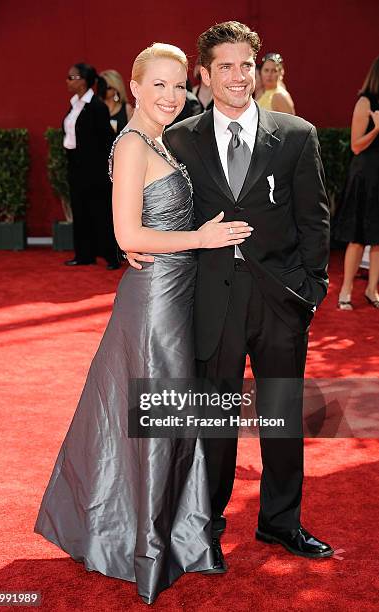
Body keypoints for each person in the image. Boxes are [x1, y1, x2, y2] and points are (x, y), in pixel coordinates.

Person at [34, 43, 252, 604]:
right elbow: (128, 236)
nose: (170, 96)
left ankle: (174, 539)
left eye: (179, 86)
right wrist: (201, 238)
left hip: (175, 299)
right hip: (154, 304)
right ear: (133, 87)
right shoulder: (131, 145)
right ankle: (149, 551)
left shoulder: (160, 141)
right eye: (158, 84)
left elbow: (161, 219)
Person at [127, 21, 333, 567]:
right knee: (213, 424)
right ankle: (206, 521)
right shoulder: (180, 139)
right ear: (206, 74)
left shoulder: (296, 135)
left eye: (246, 64)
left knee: (281, 417)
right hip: (209, 299)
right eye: (225, 66)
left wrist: (309, 292)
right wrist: (135, 242)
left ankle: (280, 522)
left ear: (258, 68)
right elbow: (154, 207)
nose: (238, 76)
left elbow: (315, 221)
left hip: (279, 300)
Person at [63, 63, 120, 269]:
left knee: (101, 213)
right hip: (75, 167)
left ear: (83, 81)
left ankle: (111, 256)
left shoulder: (97, 107)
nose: (67, 81)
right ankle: (83, 254)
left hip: (94, 171)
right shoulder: (74, 104)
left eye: (71, 77)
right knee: (80, 211)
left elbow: (107, 140)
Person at [334, 56, 379, 309]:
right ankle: (346, 291)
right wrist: (376, 130)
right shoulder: (366, 101)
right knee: (357, 236)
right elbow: (355, 145)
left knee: (378, 238)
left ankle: (372, 290)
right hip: (365, 178)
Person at [99, 69, 134, 135]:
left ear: (116, 88)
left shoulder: (127, 109)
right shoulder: (96, 108)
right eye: (101, 86)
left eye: (108, 87)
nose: (103, 89)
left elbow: (132, 133)